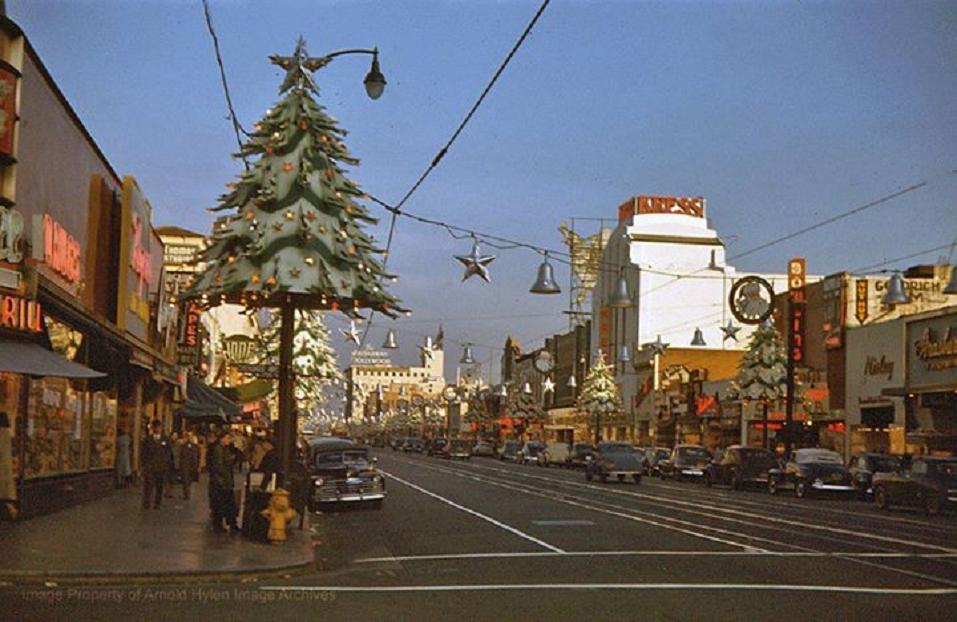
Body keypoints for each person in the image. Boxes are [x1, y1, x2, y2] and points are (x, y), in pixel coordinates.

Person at [208, 431, 239, 533]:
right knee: (223, 503)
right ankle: (223, 525)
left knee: (227, 503)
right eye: (227, 438)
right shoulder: (219, 450)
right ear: (221, 439)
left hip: (225, 481)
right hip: (221, 482)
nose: (229, 440)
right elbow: (218, 466)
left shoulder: (225, 449)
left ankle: (230, 524)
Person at [141, 420, 173, 510]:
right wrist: (144, 465)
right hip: (150, 467)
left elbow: (168, 452)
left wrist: (166, 462)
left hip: (161, 467)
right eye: (156, 427)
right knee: (148, 486)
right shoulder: (148, 439)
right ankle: (146, 503)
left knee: (160, 486)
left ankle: (157, 503)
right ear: (153, 428)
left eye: (159, 427)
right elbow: (143, 453)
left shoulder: (165, 439)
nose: (158, 429)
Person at [179, 433, 200, 500]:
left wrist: (198, 465)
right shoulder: (183, 446)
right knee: (186, 480)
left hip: (193, 465)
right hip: (185, 465)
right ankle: (187, 494)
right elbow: (181, 456)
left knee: (190, 480)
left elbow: (198, 456)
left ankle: (187, 493)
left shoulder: (196, 447)